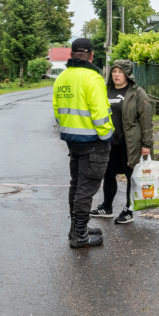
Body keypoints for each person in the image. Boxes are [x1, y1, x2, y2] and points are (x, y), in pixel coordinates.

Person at [52, 38, 114, 248]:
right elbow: (100, 114)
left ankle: (76, 230)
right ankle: (80, 235)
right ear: (91, 55)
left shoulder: (62, 78)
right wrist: (107, 136)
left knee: (77, 186)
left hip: (72, 141)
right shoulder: (93, 78)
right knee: (86, 190)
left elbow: (58, 113)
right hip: (93, 142)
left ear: (71, 54)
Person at [90, 60, 153, 224]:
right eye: (114, 71)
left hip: (130, 143)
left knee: (131, 176)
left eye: (120, 72)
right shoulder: (106, 91)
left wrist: (146, 144)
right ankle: (107, 207)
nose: (116, 75)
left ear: (127, 74)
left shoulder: (137, 93)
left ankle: (128, 210)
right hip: (109, 143)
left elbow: (146, 120)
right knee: (108, 174)